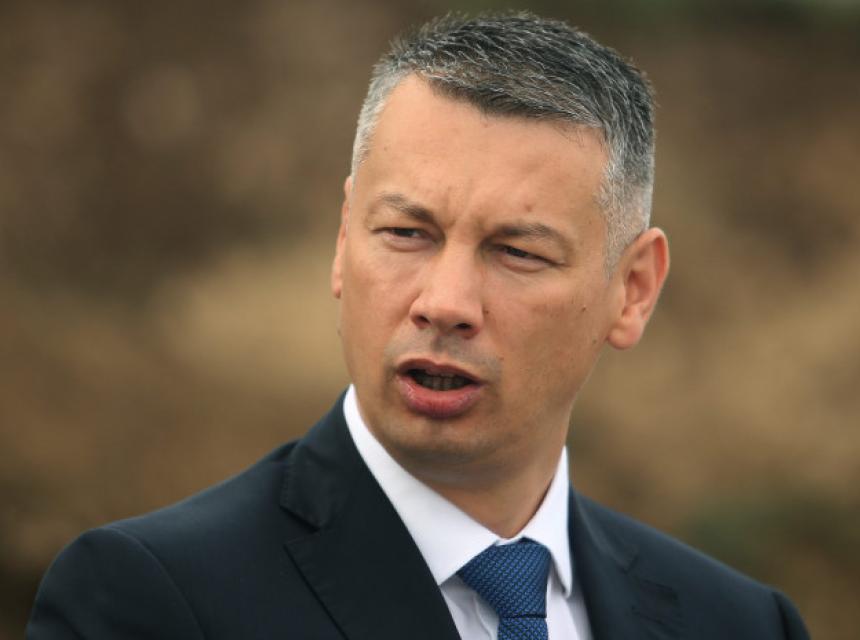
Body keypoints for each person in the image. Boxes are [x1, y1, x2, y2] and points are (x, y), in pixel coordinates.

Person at [27, 12, 810, 640]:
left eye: (517, 251)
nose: (445, 301)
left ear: (632, 291)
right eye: (407, 234)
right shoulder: (153, 600)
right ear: (344, 239)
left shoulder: (740, 623)